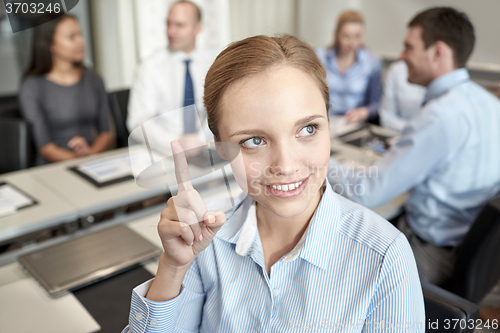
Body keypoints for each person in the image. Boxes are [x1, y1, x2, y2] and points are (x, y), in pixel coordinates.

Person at [122, 35, 424, 332]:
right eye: (254, 140)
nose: (286, 165)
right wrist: (173, 267)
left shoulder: (384, 256)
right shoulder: (206, 243)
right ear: (220, 146)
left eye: (308, 129)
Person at [328, 7, 500, 285]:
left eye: (409, 47)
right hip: (475, 253)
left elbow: (366, 193)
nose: (401, 56)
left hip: (431, 255)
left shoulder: (438, 117)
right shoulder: (491, 105)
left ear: (438, 52)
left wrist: (319, 159)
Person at [19, 14, 112, 164]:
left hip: (92, 161)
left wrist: (90, 154)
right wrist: (78, 161)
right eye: (71, 37)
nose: (81, 41)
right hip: (53, 169)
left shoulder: (93, 78)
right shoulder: (32, 86)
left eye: (80, 34)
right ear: (51, 45)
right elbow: (45, 147)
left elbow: (106, 133)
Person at [127, 0, 215, 152]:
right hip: (164, 150)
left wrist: (200, 141)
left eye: (179, 25)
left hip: (207, 147)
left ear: (198, 28)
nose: (171, 31)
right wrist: (176, 144)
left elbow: (219, 111)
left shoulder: (213, 63)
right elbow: (137, 121)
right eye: (169, 24)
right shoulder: (150, 66)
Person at [316, 10, 382, 123]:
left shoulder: (372, 62)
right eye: (346, 36)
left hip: (354, 123)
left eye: (357, 36)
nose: (352, 42)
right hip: (325, 120)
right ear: (337, 34)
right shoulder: (320, 56)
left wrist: (364, 112)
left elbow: (377, 104)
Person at [379, 60, 426, 132]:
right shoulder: (397, 70)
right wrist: (413, 129)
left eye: (409, 48)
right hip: (400, 133)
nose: (401, 56)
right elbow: (386, 117)